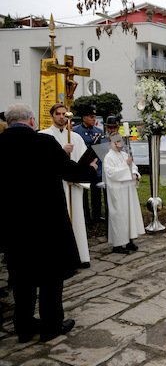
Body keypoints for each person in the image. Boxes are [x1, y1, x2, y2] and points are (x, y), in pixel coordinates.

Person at [0, 104, 97, 343]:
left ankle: (23, 327)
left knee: (21, 277)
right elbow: (72, 173)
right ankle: (51, 326)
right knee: (50, 277)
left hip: (12, 226)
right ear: (32, 121)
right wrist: (91, 169)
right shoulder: (43, 142)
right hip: (47, 224)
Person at [40, 103, 91, 268]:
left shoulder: (75, 137)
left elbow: (85, 160)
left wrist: (76, 176)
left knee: (76, 219)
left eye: (64, 114)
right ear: (52, 116)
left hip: (73, 186)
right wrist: (62, 151)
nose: (62, 117)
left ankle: (81, 256)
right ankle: (61, 259)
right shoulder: (43, 136)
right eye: (58, 114)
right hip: (55, 186)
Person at [103, 132, 145, 254]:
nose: (117, 144)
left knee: (129, 214)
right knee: (119, 216)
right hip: (117, 190)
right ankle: (118, 244)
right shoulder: (108, 157)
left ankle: (129, 239)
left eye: (119, 141)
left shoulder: (124, 154)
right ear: (110, 143)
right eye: (114, 141)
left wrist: (135, 174)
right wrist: (125, 165)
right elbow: (111, 173)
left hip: (128, 189)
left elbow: (134, 166)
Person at [73, 105, 104, 224]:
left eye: (94, 117)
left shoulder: (99, 132)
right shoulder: (75, 132)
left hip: (96, 167)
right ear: (84, 118)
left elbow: (101, 151)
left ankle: (97, 215)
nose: (93, 119)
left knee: (96, 193)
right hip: (83, 167)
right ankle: (85, 216)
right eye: (91, 117)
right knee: (84, 193)